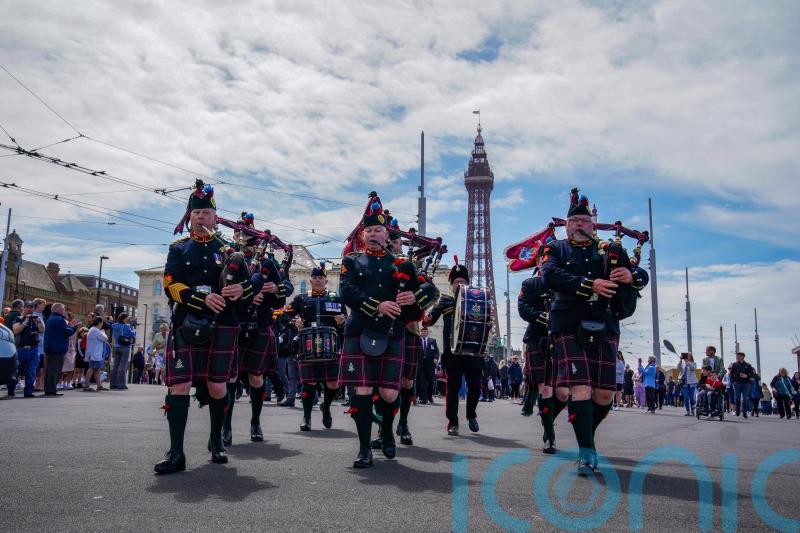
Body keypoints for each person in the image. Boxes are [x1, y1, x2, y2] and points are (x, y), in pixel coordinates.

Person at [541, 187, 646, 474]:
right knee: (581, 388)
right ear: (566, 226)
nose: (579, 225)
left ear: (592, 226)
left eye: (584, 222)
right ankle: (586, 451)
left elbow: (640, 274)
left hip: (605, 324)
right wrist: (591, 285)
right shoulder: (555, 248)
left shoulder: (610, 250)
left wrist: (631, 275)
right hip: (568, 324)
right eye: (573, 221)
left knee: (604, 395)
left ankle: (585, 432)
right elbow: (549, 275)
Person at [154, 180, 254, 474]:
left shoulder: (229, 250)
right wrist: (200, 299)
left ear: (215, 217)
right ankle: (176, 453)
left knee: (217, 385)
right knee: (180, 384)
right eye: (196, 212)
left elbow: (249, 284)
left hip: (223, 322)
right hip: (187, 321)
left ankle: (217, 440)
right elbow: (170, 284)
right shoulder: (179, 248)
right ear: (189, 217)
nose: (200, 217)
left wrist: (241, 290)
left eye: (205, 213)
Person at [338, 193, 427, 467]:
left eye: (378, 230)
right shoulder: (352, 261)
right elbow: (346, 291)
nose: (373, 234)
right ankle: (364, 448)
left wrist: (414, 298)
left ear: (386, 234)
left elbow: (426, 292)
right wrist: (377, 306)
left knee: (389, 393)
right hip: (359, 330)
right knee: (363, 389)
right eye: (369, 231)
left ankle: (387, 431)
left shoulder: (402, 264)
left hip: (391, 333)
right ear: (363, 235)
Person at [223, 214, 292, 446]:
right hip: (234, 322)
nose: (243, 238)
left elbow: (281, 297)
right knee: (230, 376)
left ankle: (255, 422)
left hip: (259, 324)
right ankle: (225, 426)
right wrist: (246, 294)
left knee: (256, 376)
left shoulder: (267, 263)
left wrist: (274, 290)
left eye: (247, 235)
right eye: (239, 234)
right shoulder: (227, 256)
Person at [371, 226, 438, 449]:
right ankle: (383, 429)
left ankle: (404, 423)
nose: (392, 244)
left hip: (408, 330)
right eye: (390, 241)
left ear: (402, 245)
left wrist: (416, 296)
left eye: (396, 241)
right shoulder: (376, 266)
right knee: (381, 382)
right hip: (380, 329)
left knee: (406, 381)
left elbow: (433, 291)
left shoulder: (411, 267)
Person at [425, 260, 485, 436]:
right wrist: (426, 317)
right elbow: (430, 320)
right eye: (456, 281)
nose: (459, 284)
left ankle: (471, 415)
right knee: (452, 388)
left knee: (475, 386)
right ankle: (452, 421)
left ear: (467, 283)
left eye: (462, 281)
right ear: (451, 285)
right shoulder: (444, 300)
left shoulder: (475, 300)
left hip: (473, 351)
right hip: (453, 353)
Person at [288, 262, 345, 432]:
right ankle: (306, 417)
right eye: (315, 278)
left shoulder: (335, 298)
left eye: (321, 278)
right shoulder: (301, 299)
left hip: (330, 346)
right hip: (307, 347)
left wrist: (342, 322)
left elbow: (345, 320)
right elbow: (284, 317)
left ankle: (326, 407)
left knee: (333, 383)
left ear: (326, 281)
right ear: (310, 281)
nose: (318, 280)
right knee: (309, 382)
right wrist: (294, 322)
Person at [517, 258, 562, 453]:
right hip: (537, 338)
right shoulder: (530, 284)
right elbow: (523, 308)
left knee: (563, 392)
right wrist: (542, 317)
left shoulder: (564, 281)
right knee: (546, 388)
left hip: (562, 337)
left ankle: (547, 419)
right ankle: (549, 436)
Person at [11, 301, 46, 398]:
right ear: (24, 308)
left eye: (31, 307)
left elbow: (42, 330)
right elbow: (16, 330)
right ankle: (11, 389)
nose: (29, 309)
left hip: (33, 349)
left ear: (34, 309)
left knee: (32, 371)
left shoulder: (36, 319)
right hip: (20, 349)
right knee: (16, 370)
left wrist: (39, 321)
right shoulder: (18, 318)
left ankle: (28, 391)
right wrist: (25, 322)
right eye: (27, 307)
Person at [42, 303, 78, 397]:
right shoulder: (59, 319)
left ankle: (49, 389)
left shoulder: (51, 318)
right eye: (63, 309)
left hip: (50, 348)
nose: (64, 311)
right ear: (58, 310)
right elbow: (67, 332)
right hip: (56, 349)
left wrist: (70, 326)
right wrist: (74, 327)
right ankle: (51, 390)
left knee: (50, 371)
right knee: (55, 371)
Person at [110, 312, 136, 390]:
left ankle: (113, 384)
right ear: (124, 319)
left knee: (115, 366)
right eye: (127, 318)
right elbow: (132, 334)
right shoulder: (126, 326)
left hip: (116, 347)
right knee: (123, 366)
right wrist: (133, 329)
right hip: (125, 347)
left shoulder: (114, 325)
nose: (127, 320)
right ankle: (121, 384)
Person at [83, 317, 108, 392]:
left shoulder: (93, 329)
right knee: (91, 368)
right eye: (102, 323)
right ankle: (86, 386)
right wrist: (103, 332)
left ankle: (99, 385)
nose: (102, 325)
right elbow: (105, 338)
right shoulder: (95, 330)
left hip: (95, 353)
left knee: (97, 369)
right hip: (94, 353)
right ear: (99, 323)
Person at [416, 326, 439, 404]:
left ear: (427, 332)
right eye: (422, 331)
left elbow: (436, 351)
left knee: (430, 381)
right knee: (422, 381)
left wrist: (435, 358)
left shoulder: (432, 341)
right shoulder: (418, 341)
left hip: (430, 365)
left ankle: (429, 396)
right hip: (420, 364)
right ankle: (423, 398)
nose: (423, 333)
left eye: (425, 331)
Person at [730, 352, 754, 418]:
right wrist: (733, 381)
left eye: (738, 356)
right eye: (737, 356)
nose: (737, 357)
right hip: (737, 384)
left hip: (746, 384)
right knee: (737, 398)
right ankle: (737, 411)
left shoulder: (748, 365)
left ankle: (744, 413)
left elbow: (752, 375)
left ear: (743, 357)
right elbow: (731, 374)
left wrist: (747, 376)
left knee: (745, 399)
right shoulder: (735, 364)